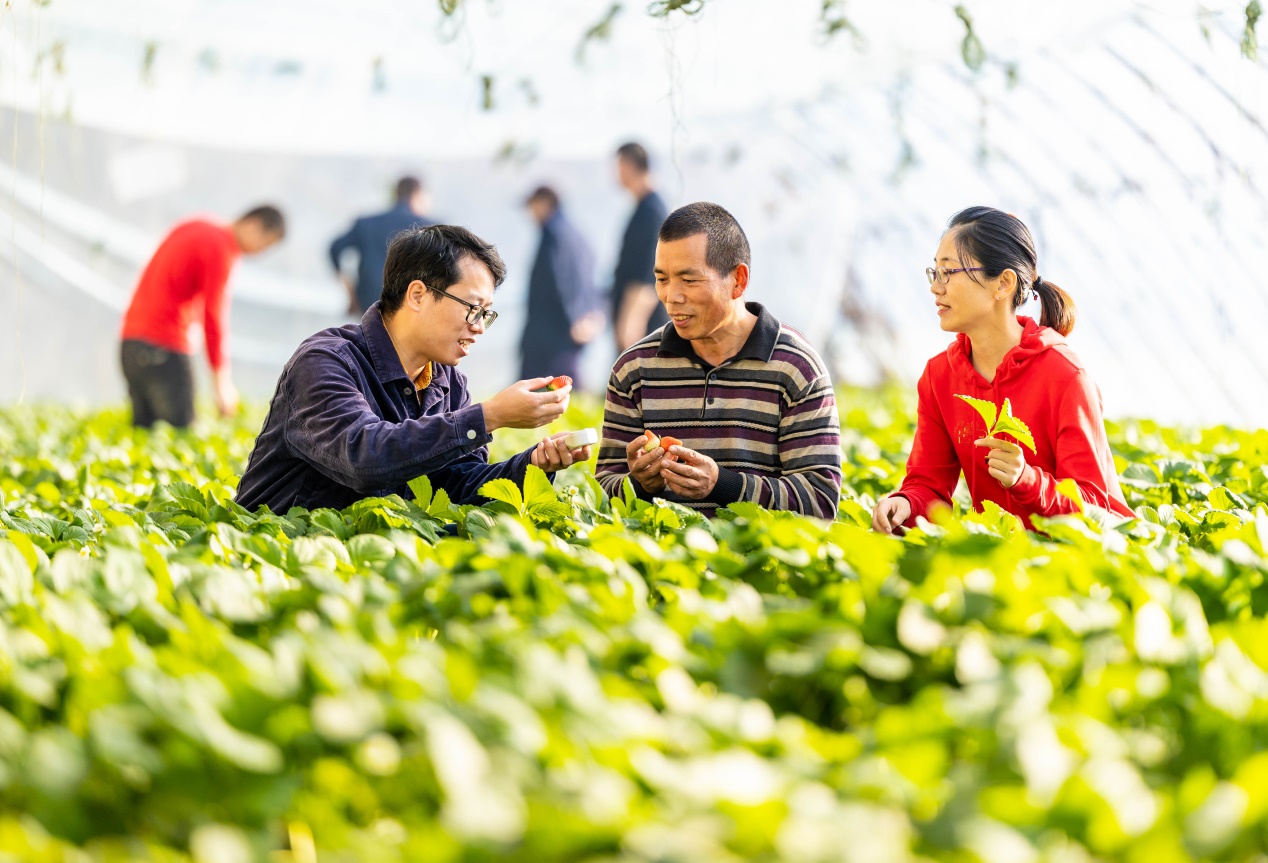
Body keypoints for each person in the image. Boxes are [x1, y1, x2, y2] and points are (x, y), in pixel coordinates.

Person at [235, 224, 589, 514]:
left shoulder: (449, 383)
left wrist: (534, 465)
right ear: (417, 295)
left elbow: (455, 486)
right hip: (275, 555)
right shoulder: (326, 361)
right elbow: (363, 457)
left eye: (486, 314)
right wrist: (488, 416)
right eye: (473, 308)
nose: (479, 326)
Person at [871, 206, 1135, 535]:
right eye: (934, 273)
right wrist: (905, 504)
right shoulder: (939, 377)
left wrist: (1026, 480)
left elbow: (1096, 507)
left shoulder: (1066, 376)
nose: (935, 288)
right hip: (1000, 564)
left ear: (1003, 284)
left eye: (948, 273)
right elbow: (928, 484)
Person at [595, 202, 843, 519]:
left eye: (689, 279)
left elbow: (819, 502)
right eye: (662, 279)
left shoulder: (796, 367)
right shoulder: (634, 369)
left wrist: (722, 486)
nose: (672, 296)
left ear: (738, 280)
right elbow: (602, 496)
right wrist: (641, 484)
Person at [120, 205, 286, 428]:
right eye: (265, 244)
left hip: (130, 344)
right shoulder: (222, 247)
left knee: (143, 434)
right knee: (180, 435)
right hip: (163, 348)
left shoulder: (199, 224)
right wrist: (222, 384)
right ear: (254, 225)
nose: (259, 252)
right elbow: (213, 316)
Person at [520, 186, 602, 386]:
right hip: (565, 328)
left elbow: (561, 278)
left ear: (543, 203)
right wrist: (591, 312)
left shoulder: (553, 234)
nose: (529, 213)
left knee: (537, 387)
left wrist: (575, 318)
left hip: (551, 331)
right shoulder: (574, 233)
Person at [330, 176, 434, 316]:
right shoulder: (429, 229)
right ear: (418, 195)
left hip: (368, 303)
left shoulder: (366, 223)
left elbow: (334, 248)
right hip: (409, 308)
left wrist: (350, 291)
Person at [611, 142, 670, 352]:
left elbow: (650, 269)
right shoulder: (644, 207)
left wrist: (632, 319)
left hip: (646, 321)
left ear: (628, 165)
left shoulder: (651, 211)